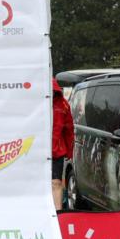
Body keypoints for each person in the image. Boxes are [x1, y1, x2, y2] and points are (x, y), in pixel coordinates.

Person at [51, 78, 74, 210]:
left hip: (56, 151)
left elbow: (69, 130)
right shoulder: (35, 104)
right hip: (36, 150)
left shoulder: (63, 105)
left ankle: (58, 213)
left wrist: (69, 151)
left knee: (56, 182)